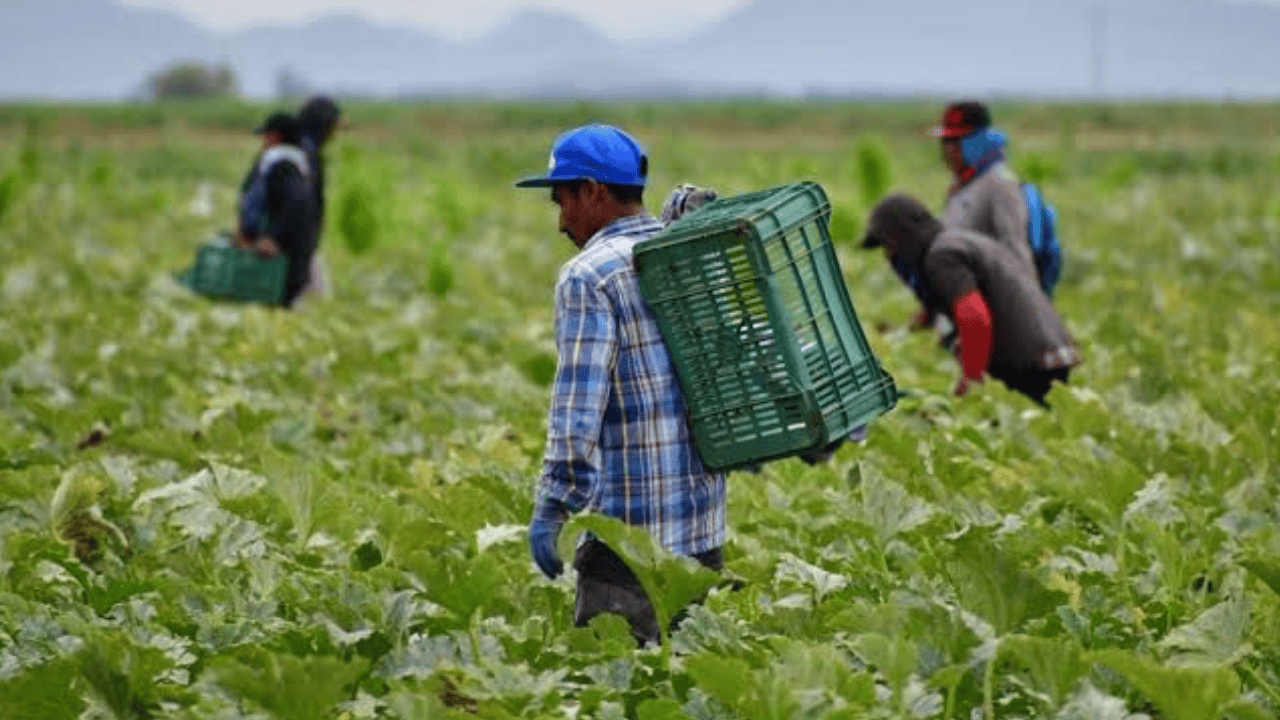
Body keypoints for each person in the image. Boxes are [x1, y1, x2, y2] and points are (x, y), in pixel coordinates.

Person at [516, 125, 726, 646]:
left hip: (626, 548)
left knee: (614, 689)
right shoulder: (684, 254)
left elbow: (577, 409)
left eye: (561, 198)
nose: (561, 218)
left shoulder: (589, 276)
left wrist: (555, 505)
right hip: (701, 539)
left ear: (593, 191)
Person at [865, 193, 1079, 406]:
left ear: (901, 237)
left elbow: (975, 318)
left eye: (887, 245)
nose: (888, 255)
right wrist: (900, 332)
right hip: (1058, 356)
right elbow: (938, 308)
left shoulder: (941, 257)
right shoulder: (960, 241)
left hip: (1030, 369)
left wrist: (970, 381)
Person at [866, 101, 1036, 336]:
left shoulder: (999, 185)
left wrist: (1027, 312)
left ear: (978, 141)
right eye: (945, 141)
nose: (948, 149)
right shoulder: (962, 187)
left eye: (956, 141)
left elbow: (1015, 247)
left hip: (992, 303)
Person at [236, 112, 318, 308]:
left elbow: (296, 200)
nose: (263, 141)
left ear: (276, 136)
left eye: (266, 136)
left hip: (284, 259)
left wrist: (272, 237)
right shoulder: (292, 164)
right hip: (285, 256)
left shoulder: (283, 166)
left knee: (281, 307)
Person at [296, 96, 341, 298]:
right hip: (294, 246)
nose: (335, 134)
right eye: (334, 127)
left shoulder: (304, 149)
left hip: (302, 245)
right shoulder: (303, 155)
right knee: (314, 299)